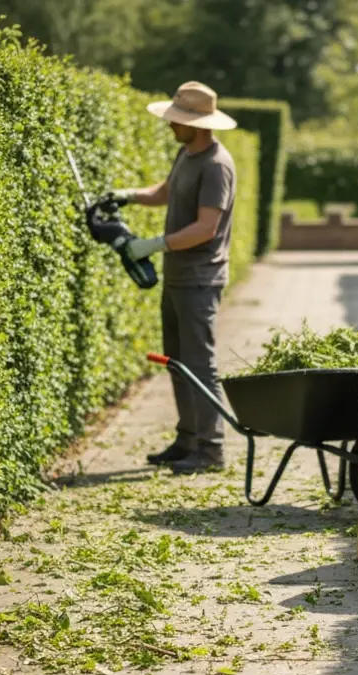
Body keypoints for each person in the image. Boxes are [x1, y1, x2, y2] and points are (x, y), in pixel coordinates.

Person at [102, 81, 239, 474]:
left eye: (177, 121)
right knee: (178, 362)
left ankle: (211, 450)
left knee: (200, 363)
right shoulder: (187, 153)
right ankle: (187, 440)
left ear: (197, 124)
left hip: (201, 278)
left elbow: (205, 228)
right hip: (178, 275)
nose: (170, 126)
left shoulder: (216, 165)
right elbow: (165, 191)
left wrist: (151, 245)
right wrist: (127, 195)